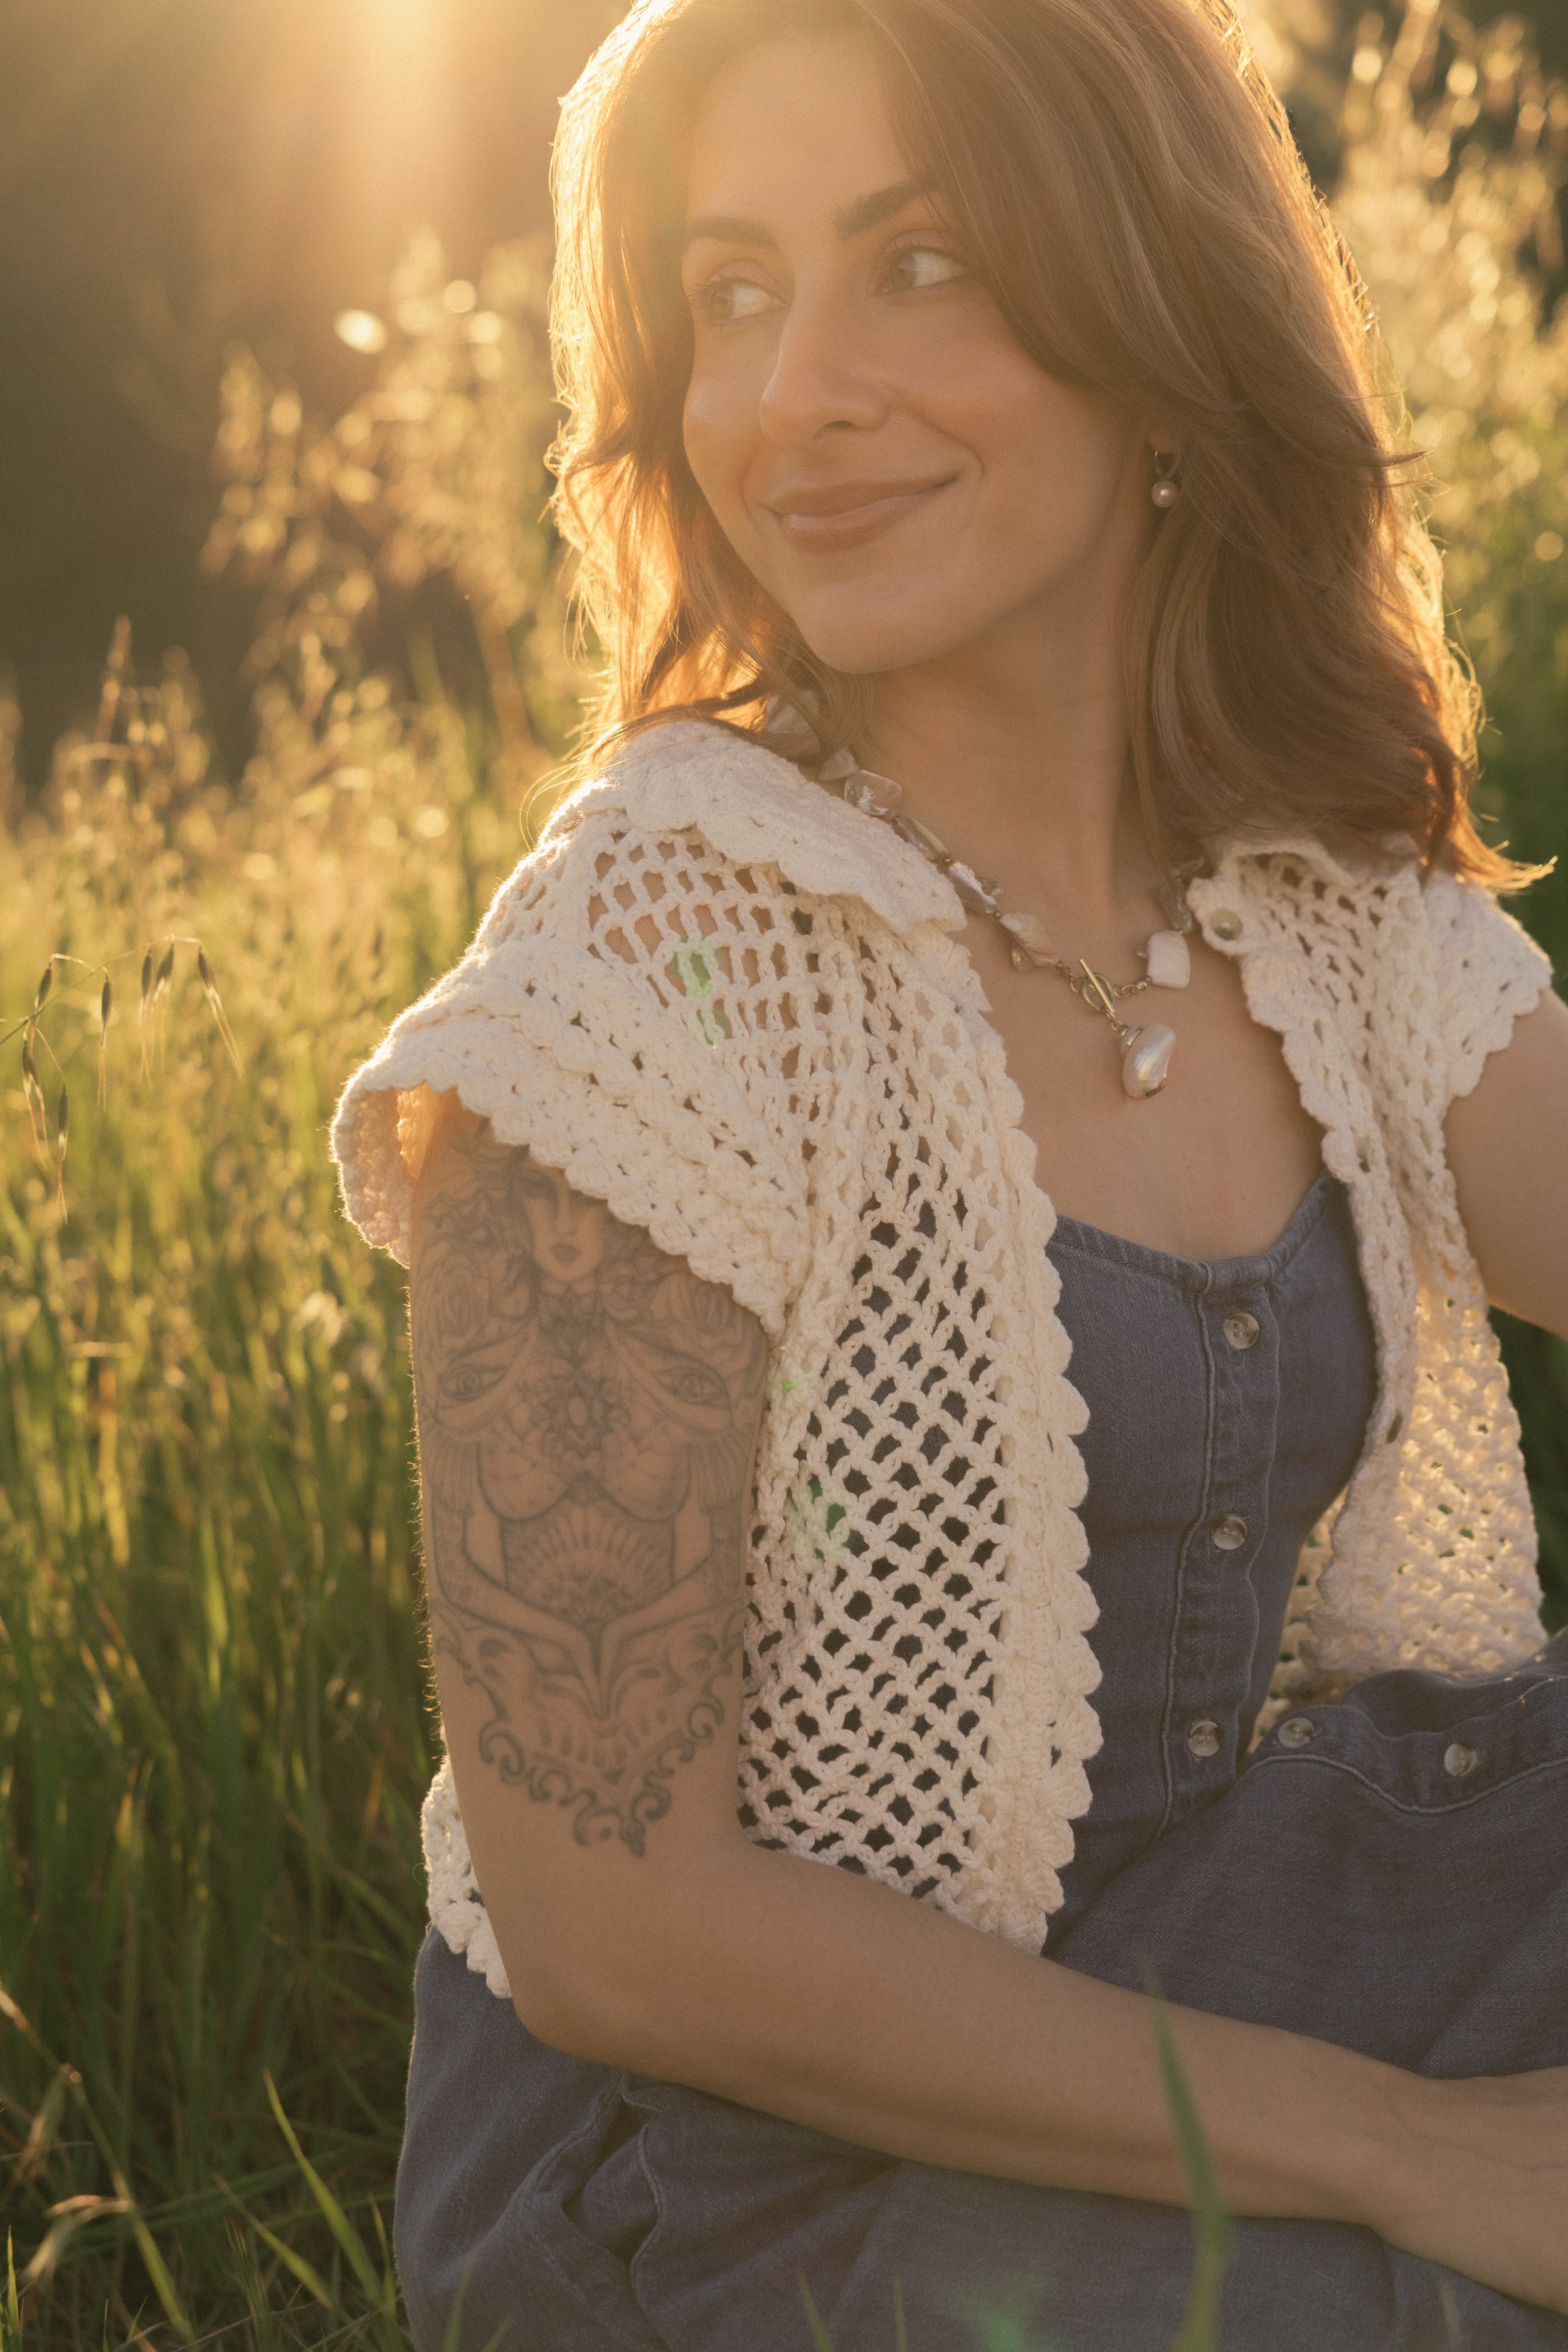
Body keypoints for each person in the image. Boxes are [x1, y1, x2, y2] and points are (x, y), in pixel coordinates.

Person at [331, 0, 1568, 2342]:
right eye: (730, 292)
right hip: (731, 2172)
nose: (791, 391)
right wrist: (1420, 2152)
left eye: (918, 265)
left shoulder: (1297, 886)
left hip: (1226, 1934)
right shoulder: (644, 971)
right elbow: (617, 1927)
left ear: (1157, 319)